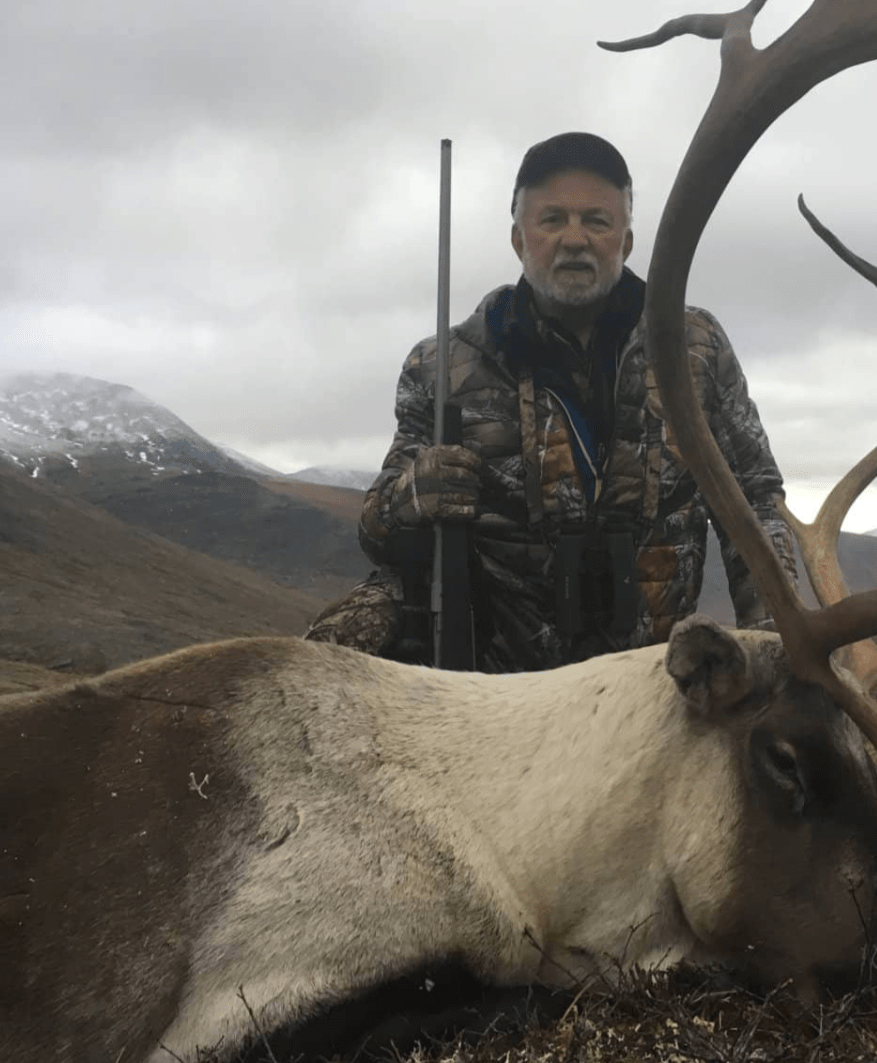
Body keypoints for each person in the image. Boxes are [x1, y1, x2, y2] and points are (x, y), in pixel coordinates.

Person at [305, 131, 796, 672]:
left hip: (656, 677)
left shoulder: (695, 346)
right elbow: (376, 532)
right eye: (553, 219)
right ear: (519, 239)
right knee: (327, 650)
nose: (574, 239)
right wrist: (410, 497)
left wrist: (777, 648)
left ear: (627, 241)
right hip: (499, 689)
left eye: (597, 221)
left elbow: (754, 500)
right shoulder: (440, 365)